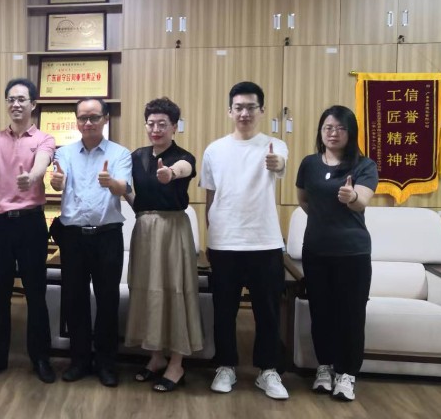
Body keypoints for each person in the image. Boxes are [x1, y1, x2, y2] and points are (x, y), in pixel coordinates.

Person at [200, 81, 290, 400]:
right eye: (238, 107)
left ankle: (268, 370)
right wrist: (211, 233)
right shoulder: (214, 150)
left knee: (268, 312)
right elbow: (210, 196)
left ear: (261, 111)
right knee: (224, 310)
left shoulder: (275, 146)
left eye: (251, 107)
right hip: (225, 243)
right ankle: (226, 366)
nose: (244, 113)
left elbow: (280, 165)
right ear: (229, 111)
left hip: (264, 242)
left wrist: (276, 164)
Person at [0, 78, 56, 383]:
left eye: (21, 99)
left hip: (31, 223)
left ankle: (40, 358)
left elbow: (42, 163)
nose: (16, 104)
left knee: (36, 292)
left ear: (33, 104)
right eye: (11, 99)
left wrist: (32, 176)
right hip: (0, 223)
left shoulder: (44, 138)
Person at [297, 105, 377, 402]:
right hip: (316, 250)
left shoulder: (364, 165)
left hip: (352, 252)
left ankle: (346, 373)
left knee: (351, 314)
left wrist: (351, 196)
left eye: (340, 128)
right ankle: (325, 367)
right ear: (321, 131)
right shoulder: (309, 164)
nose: (333, 133)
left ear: (351, 132)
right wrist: (324, 217)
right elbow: (304, 200)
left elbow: (363, 201)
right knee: (321, 312)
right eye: (328, 128)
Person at [50, 98, 131, 388]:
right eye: (82, 118)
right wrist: (56, 183)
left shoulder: (120, 153)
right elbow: (59, 182)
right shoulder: (64, 153)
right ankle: (79, 361)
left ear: (105, 119)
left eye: (94, 117)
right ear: (76, 121)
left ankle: (106, 363)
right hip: (73, 237)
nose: (88, 123)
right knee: (75, 300)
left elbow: (124, 187)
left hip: (107, 235)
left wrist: (111, 183)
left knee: (108, 301)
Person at [124, 97, 204, 392]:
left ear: (174, 127)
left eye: (162, 124)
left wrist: (170, 173)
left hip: (173, 229)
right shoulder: (136, 156)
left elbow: (184, 168)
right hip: (144, 228)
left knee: (174, 290)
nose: (155, 129)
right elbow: (130, 191)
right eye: (151, 123)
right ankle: (156, 356)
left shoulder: (183, 156)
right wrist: (131, 200)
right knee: (148, 290)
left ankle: (177, 363)